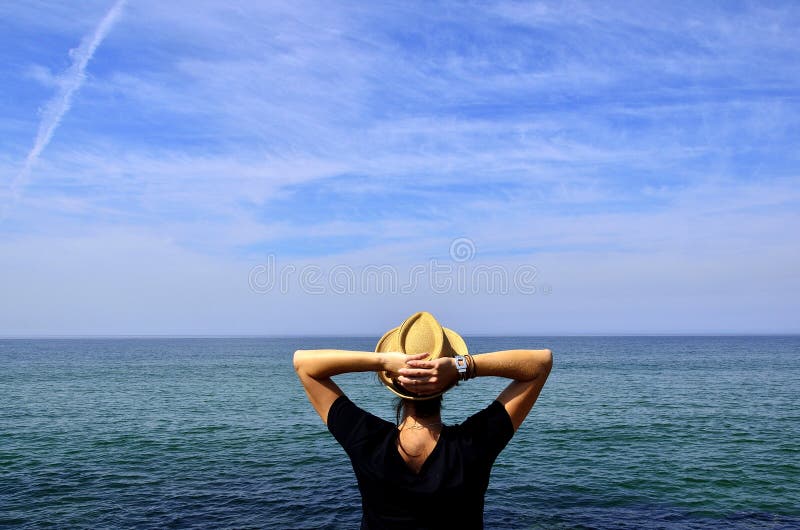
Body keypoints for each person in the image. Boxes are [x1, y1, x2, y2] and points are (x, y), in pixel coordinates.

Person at [293, 312, 552, 529]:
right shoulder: (473, 444)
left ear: (392, 381)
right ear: (448, 383)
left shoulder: (366, 440)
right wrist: (462, 366)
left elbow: (304, 364)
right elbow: (541, 363)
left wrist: (383, 361)